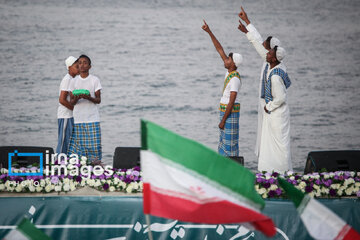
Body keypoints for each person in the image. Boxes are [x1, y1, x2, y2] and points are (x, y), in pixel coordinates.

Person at [238, 12, 293, 173]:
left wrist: (269, 106)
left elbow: (281, 97)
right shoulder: (276, 64)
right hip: (271, 107)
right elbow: (257, 42)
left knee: (278, 144)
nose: (265, 51)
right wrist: (247, 28)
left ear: (274, 55)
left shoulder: (275, 72)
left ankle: (280, 172)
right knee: (268, 142)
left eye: (268, 49)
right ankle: (270, 171)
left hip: (273, 108)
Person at [202, 20, 243, 157]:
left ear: (233, 63)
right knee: (223, 143)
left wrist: (223, 120)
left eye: (228, 59)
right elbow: (219, 49)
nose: (225, 60)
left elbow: (232, 101)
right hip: (225, 112)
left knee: (229, 144)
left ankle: (232, 169)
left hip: (229, 113)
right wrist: (209, 32)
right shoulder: (229, 72)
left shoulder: (235, 78)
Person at [68, 54, 102, 163]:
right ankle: (79, 172)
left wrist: (88, 98)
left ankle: (96, 171)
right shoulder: (73, 81)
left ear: (89, 66)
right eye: (80, 63)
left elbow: (98, 100)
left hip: (92, 119)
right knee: (78, 151)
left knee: (94, 149)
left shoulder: (94, 80)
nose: (82, 65)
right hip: (78, 119)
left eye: (85, 63)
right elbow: (71, 102)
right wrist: (77, 98)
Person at [56, 56, 79, 154]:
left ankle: (67, 165)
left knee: (70, 142)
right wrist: (75, 109)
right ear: (69, 67)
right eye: (76, 66)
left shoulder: (73, 79)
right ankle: (58, 164)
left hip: (71, 116)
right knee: (63, 142)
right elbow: (62, 99)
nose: (79, 68)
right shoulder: (67, 79)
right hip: (65, 115)